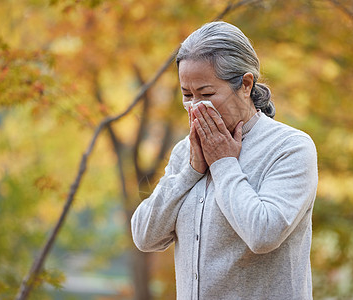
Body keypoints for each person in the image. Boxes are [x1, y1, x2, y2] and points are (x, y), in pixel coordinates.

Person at [131, 21, 318, 300]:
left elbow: (263, 234)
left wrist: (222, 163)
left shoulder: (290, 147)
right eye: (187, 95)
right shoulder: (186, 151)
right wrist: (191, 171)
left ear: (245, 84)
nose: (195, 106)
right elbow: (145, 236)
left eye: (206, 94)